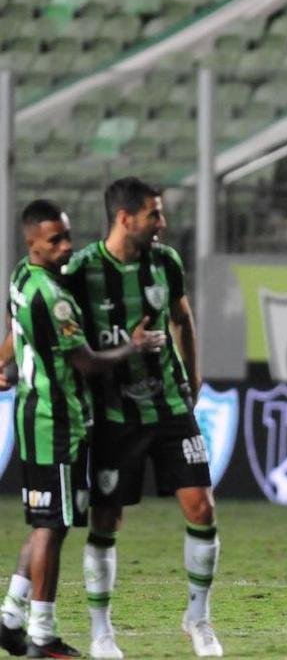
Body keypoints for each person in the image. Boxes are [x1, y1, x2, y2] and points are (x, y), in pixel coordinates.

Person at [58, 178, 219, 659]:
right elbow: (52, 324)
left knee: (202, 508)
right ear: (125, 218)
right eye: (154, 214)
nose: (162, 223)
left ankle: (198, 618)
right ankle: (102, 632)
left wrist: (194, 379)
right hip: (113, 414)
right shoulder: (82, 270)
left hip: (170, 404)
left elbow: (182, 319)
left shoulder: (164, 262)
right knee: (106, 519)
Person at [0, 201, 165, 660]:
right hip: (59, 422)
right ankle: (42, 635)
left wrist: (3, 358)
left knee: (43, 521)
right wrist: (132, 347)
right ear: (31, 242)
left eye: (67, 235)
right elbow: (87, 362)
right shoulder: (54, 298)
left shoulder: (21, 276)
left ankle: (11, 617)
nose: (66, 246)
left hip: (34, 417)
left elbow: (16, 326)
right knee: (52, 527)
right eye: (55, 240)